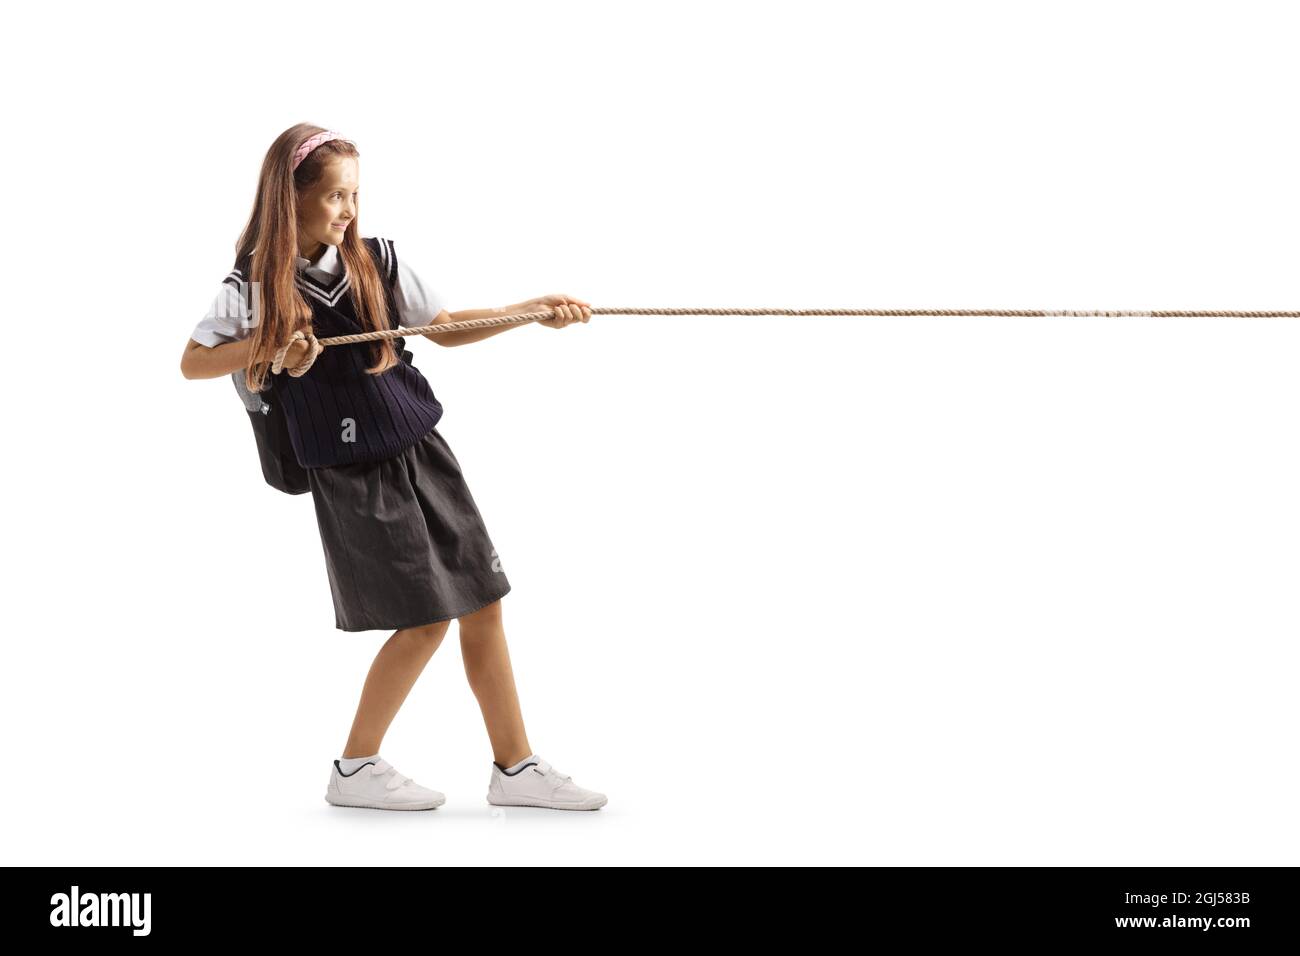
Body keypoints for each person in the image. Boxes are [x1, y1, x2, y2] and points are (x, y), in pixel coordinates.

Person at [179, 124, 606, 811]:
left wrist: (528, 313)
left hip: (420, 449)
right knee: (425, 618)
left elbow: (443, 326)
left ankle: (515, 768)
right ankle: (355, 769)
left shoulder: (376, 260)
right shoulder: (254, 284)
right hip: (351, 471)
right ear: (293, 198)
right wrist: (269, 346)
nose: (349, 209)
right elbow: (194, 361)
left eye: (356, 194)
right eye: (335, 196)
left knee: (483, 600)